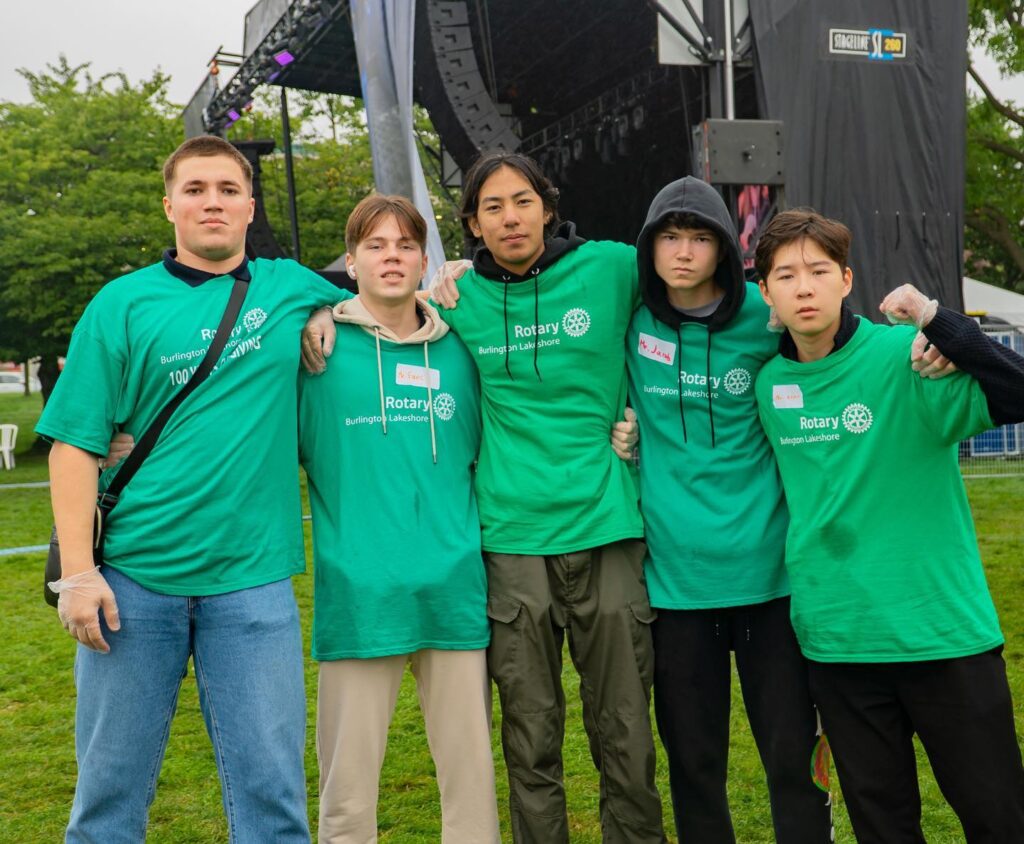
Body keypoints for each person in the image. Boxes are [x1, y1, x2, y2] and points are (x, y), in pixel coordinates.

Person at [305, 151, 663, 843]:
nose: (510, 217)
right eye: (492, 206)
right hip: (506, 541)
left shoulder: (610, 268)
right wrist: (315, 305)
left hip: (604, 529)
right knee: (530, 736)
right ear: (472, 224)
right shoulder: (458, 304)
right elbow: (346, 299)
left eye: (522, 201)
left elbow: (694, 294)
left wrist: (646, 419)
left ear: (547, 208)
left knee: (624, 728)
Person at [38, 135, 349, 843]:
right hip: (131, 584)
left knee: (274, 801)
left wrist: (323, 310)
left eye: (228, 190)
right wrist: (78, 575)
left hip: (252, 584)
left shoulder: (289, 285)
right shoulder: (121, 304)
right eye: (196, 189)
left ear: (250, 207)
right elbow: (73, 446)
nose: (213, 202)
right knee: (108, 799)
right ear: (169, 205)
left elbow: (388, 293)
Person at [753, 208, 1024, 841]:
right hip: (838, 643)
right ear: (764, 292)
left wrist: (937, 321)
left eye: (819, 271)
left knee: (1000, 819)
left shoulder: (909, 355)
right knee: (883, 828)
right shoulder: (769, 385)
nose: (804, 287)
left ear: (846, 280)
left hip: (943, 636)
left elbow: (1018, 389)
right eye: (786, 275)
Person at [626, 177, 832, 842]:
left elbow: (835, 343)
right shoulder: (628, 318)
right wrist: (457, 271)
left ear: (723, 248)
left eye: (700, 238)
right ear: (650, 248)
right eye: (670, 237)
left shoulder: (765, 320)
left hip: (772, 580)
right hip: (676, 586)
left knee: (793, 759)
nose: (684, 252)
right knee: (694, 764)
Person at [298, 194, 500, 843]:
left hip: (454, 590)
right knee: (347, 796)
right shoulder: (314, 354)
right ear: (351, 260)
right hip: (359, 597)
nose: (391, 257)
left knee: (471, 790)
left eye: (405, 245)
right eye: (376, 246)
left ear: (423, 259)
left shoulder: (462, 348)